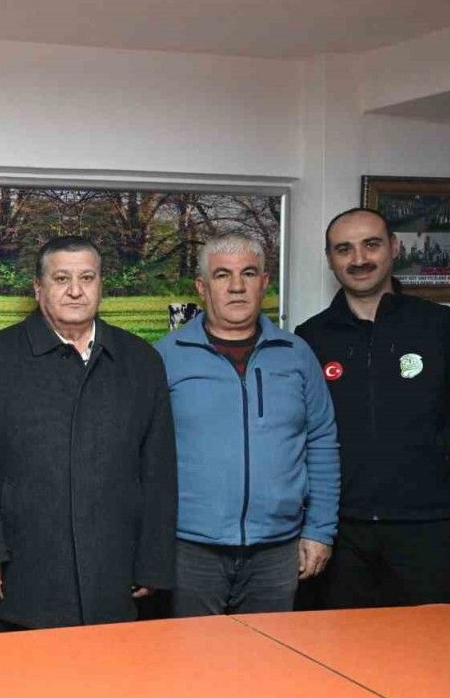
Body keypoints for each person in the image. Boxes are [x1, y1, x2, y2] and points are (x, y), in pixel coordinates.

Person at [0, 236, 176, 630]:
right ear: (38, 288)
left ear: (101, 285)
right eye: (61, 278)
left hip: (114, 573)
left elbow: (158, 471)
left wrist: (153, 561)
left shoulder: (141, 361)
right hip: (21, 574)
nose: (75, 290)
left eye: (87, 278)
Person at [296, 208, 450, 607]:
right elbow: (301, 435)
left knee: (431, 641)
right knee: (338, 642)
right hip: (340, 532)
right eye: (344, 249)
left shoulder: (443, 327)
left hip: (428, 525)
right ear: (330, 259)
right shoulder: (310, 337)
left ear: (395, 248)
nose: (359, 259)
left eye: (371, 244)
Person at [155, 232, 339, 616]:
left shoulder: (296, 354)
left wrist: (319, 530)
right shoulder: (165, 357)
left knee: (269, 651)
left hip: (278, 550)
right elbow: (142, 455)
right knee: (192, 652)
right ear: (202, 287)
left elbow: (322, 442)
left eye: (248, 273)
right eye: (222, 275)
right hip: (190, 550)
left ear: (264, 282)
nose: (236, 286)